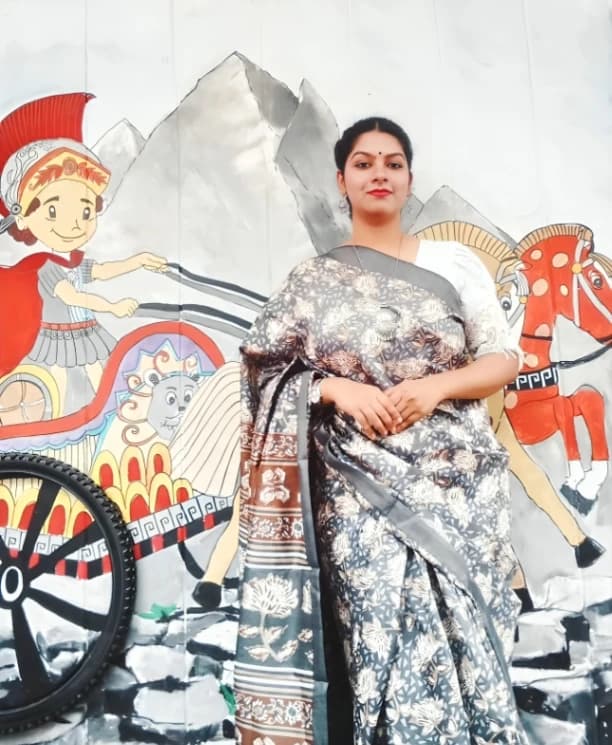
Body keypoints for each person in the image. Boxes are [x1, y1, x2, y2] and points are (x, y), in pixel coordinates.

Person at [235, 117, 529, 744]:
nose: (379, 174)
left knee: (468, 631)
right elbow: (264, 371)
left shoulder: (454, 265)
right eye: (364, 163)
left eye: (393, 163)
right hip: (355, 491)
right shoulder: (310, 283)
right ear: (341, 180)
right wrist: (336, 389)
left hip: (456, 482)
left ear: (409, 180)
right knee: (375, 637)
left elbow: (502, 359)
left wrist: (436, 388)